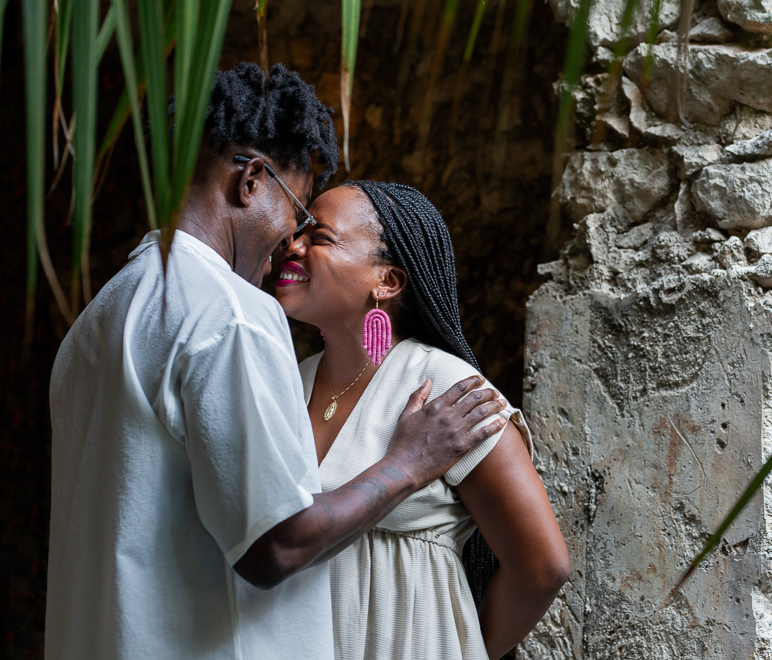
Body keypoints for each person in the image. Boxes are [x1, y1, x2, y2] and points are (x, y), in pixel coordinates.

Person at [45, 63, 506, 660]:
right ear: (252, 181)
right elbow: (277, 544)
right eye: (297, 214)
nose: (289, 243)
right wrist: (409, 463)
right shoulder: (231, 315)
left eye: (315, 232)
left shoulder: (98, 319)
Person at [274, 181, 571, 660]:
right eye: (297, 231)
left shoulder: (446, 386)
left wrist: (465, 649)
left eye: (321, 237)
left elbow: (543, 567)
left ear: (386, 282)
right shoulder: (287, 382)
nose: (293, 245)